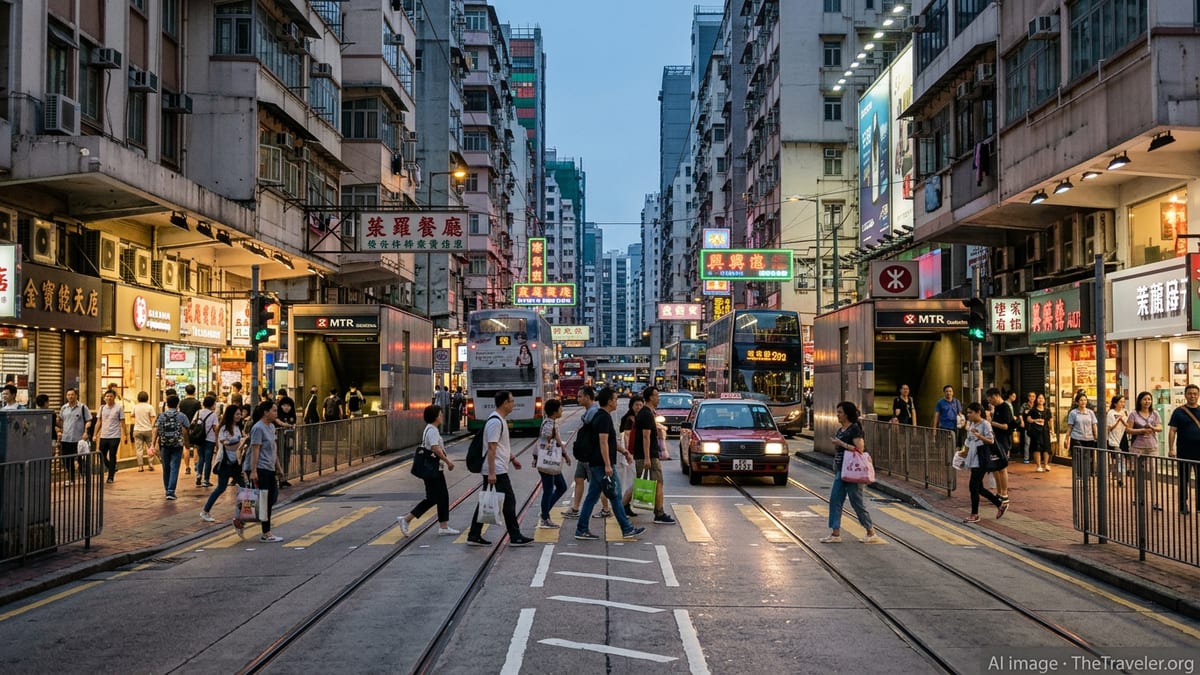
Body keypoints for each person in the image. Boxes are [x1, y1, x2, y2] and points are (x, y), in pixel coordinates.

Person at [574, 388, 645, 541]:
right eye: (615, 399)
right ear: (609, 401)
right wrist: (607, 465)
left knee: (592, 497)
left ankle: (581, 529)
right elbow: (603, 442)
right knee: (616, 495)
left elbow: (610, 442)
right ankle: (627, 529)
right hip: (601, 464)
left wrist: (623, 451)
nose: (617, 402)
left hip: (598, 463)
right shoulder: (603, 418)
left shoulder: (601, 416)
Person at [466, 391, 534, 547]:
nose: (513, 404)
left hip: (498, 467)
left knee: (487, 501)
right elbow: (491, 447)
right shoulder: (495, 422)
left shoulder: (499, 420)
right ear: (504, 403)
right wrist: (491, 472)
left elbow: (500, 445)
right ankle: (515, 536)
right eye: (511, 401)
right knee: (509, 501)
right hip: (495, 469)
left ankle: (474, 534)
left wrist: (513, 458)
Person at [820, 401, 882, 543]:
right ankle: (835, 534)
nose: (838, 414)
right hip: (841, 471)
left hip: (853, 472)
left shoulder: (854, 429)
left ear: (847, 414)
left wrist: (841, 444)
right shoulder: (841, 429)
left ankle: (871, 532)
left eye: (840, 412)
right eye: (837, 412)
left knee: (856, 503)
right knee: (835, 500)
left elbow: (859, 448)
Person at [397, 405, 460, 536]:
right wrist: (448, 462)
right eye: (441, 414)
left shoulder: (432, 429)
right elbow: (435, 448)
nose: (442, 416)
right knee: (434, 498)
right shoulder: (432, 430)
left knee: (441, 497)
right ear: (436, 416)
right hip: (433, 470)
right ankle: (407, 519)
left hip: (435, 469)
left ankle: (443, 526)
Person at [562, 386, 610, 519]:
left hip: (590, 455)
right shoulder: (588, 412)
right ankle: (575, 508)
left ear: (588, 398)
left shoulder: (594, 412)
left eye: (580, 396)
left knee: (597, 485)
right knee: (578, 479)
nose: (578, 399)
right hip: (583, 455)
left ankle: (606, 509)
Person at [958, 402, 1007, 523]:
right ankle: (1000, 504)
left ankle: (974, 514)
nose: (968, 415)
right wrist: (964, 453)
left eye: (970, 412)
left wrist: (979, 435)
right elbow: (968, 441)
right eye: (967, 412)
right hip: (973, 458)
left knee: (973, 487)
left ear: (978, 412)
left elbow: (990, 440)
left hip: (982, 458)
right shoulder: (971, 424)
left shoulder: (985, 424)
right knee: (979, 488)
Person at [633, 386, 675, 524]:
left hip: (648, 454)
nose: (659, 398)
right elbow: (646, 437)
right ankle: (659, 513)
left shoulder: (648, 412)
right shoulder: (646, 414)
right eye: (656, 395)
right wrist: (647, 457)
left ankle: (624, 506)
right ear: (650, 397)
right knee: (658, 483)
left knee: (643, 482)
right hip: (648, 455)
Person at [244, 400, 284, 542]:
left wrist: (278, 467)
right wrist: (253, 471)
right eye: (274, 410)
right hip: (261, 468)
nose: (276, 413)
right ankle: (266, 533)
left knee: (271, 498)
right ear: (265, 412)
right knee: (264, 501)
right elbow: (255, 450)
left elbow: (273, 448)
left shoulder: (271, 427)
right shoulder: (258, 428)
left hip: (269, 467)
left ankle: (241, 520)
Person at [201, 404, 248, 523]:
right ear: (231, 415)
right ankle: (205, 511)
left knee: (244, 486)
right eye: (237, 414)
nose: (239, 416)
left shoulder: (237, 427)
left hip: (234, 462)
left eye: (240, 414)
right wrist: (240, 442)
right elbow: (226, 444)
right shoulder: (224, 429)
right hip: (225, 462)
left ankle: (244, 513)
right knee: (221, 488)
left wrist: (242, 441)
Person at [535, 398, 571, 529]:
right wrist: (563, 453)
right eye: (560, 408)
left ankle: (545, 512)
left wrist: (565, 454)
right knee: (549, 490)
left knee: (561, 487)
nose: (562, 410)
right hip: (548, 462)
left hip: (550, 462)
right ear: (555, 411)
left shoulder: (551, 422)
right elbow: (546, 440)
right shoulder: (550, 424)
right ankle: (545, 518)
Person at [1167, 383, 1200, 515]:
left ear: (1198, 395)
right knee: (1183, 479)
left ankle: (1199, 506)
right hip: (1184, 451)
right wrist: (1171, 449)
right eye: (1190, 393)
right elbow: (1172, 431)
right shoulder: (1178, 412)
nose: (1192, 396)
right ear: (1185, 395)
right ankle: (1182, 505)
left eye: (1195, 393)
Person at [1129, 391, 1163, 511]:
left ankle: (1155, 501)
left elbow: (1160, 427)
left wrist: (1153, 428)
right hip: (1137, 447)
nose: (1147, 401)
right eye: (1144, 399)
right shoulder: (1134, 414)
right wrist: (1141, 431)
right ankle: (1139, 498)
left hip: (1152, 447)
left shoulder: (1155, 414)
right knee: (1138, 474)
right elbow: (1128, 429)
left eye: (1149, 399)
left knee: (1153, 474)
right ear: (1139, 401)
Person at [151, 394, 189, 500]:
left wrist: (153, 444)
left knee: (166, 467)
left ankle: (167, 489)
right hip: (177, 445)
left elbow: (156, 429)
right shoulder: (182, 416)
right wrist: (187, 443)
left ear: (167, 404)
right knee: (174, 467)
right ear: (178, 404)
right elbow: (186, 430)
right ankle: (171, 491)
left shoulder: (161, 416)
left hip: (164, 444)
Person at [58, 388, 92, 486]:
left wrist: (86, 432)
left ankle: (84, 475)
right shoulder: (64, 408)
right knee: (66, 459)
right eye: (68, 395)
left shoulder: (82, 407)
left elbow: (89, 420)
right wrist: (59, 431)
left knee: (81, 459)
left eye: (72, 395)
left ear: (76, 395)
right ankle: (71, 478)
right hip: (66, 438)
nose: (70, 397)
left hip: (79, 439)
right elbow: (60, 420)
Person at [93, 389, 127, 484]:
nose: (109, 398)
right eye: (107, 396)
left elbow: (122, 422)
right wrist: (95, 434)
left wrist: (125, 435)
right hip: (104, 435)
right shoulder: (102, 408)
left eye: (110, 396)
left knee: (112, 455)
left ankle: (110, 476)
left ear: (114, 397)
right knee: (101, 454)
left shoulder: (119, 408)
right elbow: (98, 422)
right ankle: (111, 467)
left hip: (115, 436)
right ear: (104, 398)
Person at [985, 388, 1012, 503]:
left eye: (990, 399)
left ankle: (1004, 494)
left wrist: (990, 423)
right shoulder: (996, 408)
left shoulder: (1005, 407)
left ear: (996, 396)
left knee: (1002, 468)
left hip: (1003, 441)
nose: (990, 402)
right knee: (996, 468)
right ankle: (999, 492)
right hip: (995, 440)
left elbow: (1005, 426)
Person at [618, 395, 644, 514]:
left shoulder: (639, 418)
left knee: (633, 480)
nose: (638, 407)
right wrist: (628, 453)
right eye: (636, 405)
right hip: (631, 453)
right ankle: (623, 505)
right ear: (631, 406)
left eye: (640, 405)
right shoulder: (630, 419)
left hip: (637, 452)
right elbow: (627, 435)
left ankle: (626, 505)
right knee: (631, 480)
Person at [192, 395, 219, 488]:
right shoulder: (213, 415)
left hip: (199, 439)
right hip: (209, 440)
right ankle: (206, 480)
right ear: (212, 405)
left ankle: (199, 474)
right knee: (208, 460)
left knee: (201, 458)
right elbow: (216, 429)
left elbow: (193, 424)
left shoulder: (198, 412)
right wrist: (217, 442)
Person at [1066, 392, 1098, 462]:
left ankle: (1089, 473)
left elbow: (1094, 425)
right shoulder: (1073, 413)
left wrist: (1096, 436)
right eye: (1081, 400)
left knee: (1089, 459)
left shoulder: (1090, 412)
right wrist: (1067, 439)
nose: (1083, 402)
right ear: (1077, 402)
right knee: (1079, 459)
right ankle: (1079, 472)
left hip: (1089, 439)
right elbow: (1070, 427)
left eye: (1085, 400)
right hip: (1077, 438)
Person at [275, 388, 297, 487]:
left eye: (289, 406)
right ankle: (279, 478)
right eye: (284, 405)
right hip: (280, 440)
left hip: (289, 440)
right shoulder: (277, 415)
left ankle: (285, 478)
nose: (287, 408)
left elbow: (294, 423)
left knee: (287, 458)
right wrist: (287, 425)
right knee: (280, 459)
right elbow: (278, 422)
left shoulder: (292, 416)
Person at [131, 391, 158, 472]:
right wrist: (152, 426)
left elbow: (132, 416)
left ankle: (140, 466)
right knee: (150, 447)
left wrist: (137, 420)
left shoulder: (135, 407)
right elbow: (153, 417)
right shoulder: (149, 407)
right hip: (148, 429)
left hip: (137, 429)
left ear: (138, 398)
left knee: (139, 449)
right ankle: (150, 464)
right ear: (147, 398)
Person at [1026, 393, 1052, 472]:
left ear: (1044, 400)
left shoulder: (1047, 410)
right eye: (1039, 398)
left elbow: (1050, 420)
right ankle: (1038, 465)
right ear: (1037, 400)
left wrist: (1052, 430)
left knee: (1046, 447)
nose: (1041, 400)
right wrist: (1035, 420)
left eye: (1042, 398)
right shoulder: (1033, 410)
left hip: (1045, 431)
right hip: (1036, 431)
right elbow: (1028, 419)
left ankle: (1046, 464)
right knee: (1037, 447)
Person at [1106, 394, 1129, 485]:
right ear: (1115, 403)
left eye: (1123, 402)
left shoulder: (1125, 412)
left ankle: (1120, 476)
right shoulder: (1111, 413)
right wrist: (1119, 420)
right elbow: (1110, 427)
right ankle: (1120, 479)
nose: (1122, 404)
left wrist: (1123, 421)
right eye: (1120, 402)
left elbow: (1129, 425)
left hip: (1123, 436)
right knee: (1118, 458)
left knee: (1123, 458)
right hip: (1114, 438)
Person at [1020, 391, 1037, 464]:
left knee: (1036, 442)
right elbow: (1020, 414)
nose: (1032, 398)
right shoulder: (1024, 405)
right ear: (1028, 397)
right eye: (1030, 396)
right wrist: (1022, 422)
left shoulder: (1036, 405)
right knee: (1027, 443)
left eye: (1033, 396)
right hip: (1027, 426)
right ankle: (1026, 458)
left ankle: (1035, 458)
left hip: (1036, 426)